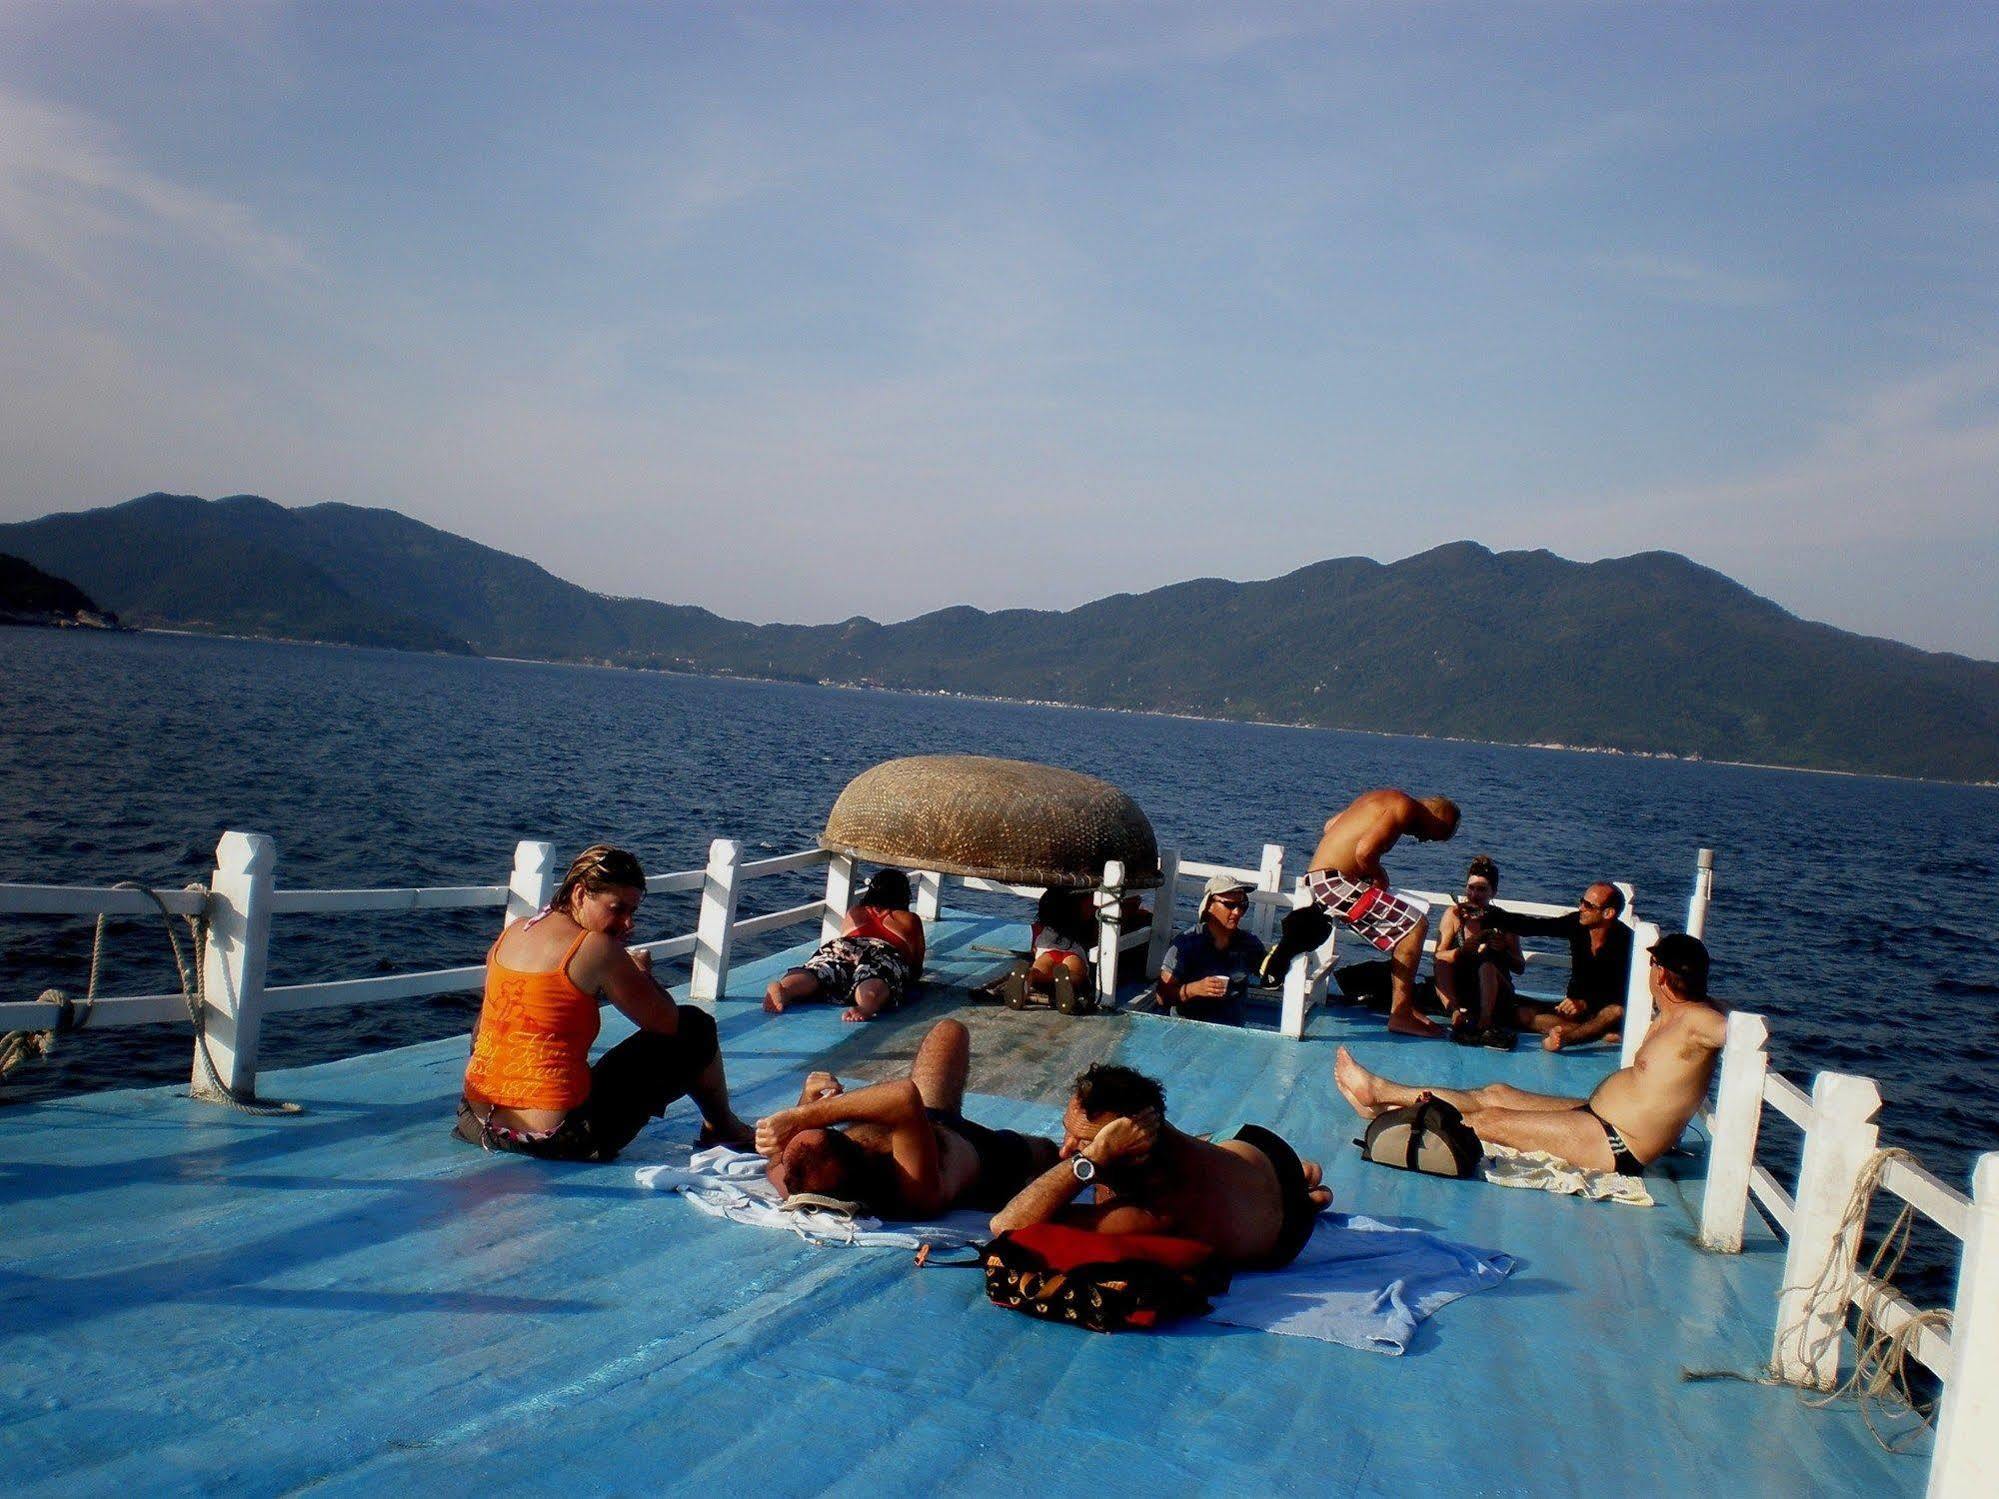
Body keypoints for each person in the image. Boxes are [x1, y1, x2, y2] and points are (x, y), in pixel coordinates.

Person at [1332, 933, 1724, 1175]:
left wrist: (1744, 1039)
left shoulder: (1695, 1020)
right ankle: (1381, 1093)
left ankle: (1385, 1111)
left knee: (1494, 1120)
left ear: (1659, 972)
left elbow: (1731, 1033)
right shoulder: (1674, 1013)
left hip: (1616, 1144)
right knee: (1497, 1094)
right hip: (1596, 1115)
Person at [456, 844, 753, 1161]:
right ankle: (722, 1126)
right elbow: (667, 1022)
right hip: (554, 1138)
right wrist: (643, 975)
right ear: (581, 894)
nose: (628, 924)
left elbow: (481, 1031)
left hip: (475, 1123)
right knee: (695, 1024)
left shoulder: (516, 929)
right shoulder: (595, 947)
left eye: (632, 912)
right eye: (617, 909)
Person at [989, 1063, 1332, 1270]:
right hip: (1254, 1147)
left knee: (1067, 1179)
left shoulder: (1150, 1211)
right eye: (1069, 1132)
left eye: (1085, 1145)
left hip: (1283, 1233)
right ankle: (1305, 1178)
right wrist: (1093, 1152)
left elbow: (1007, 1225)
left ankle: (1310, 1197)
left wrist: (1092, 1159)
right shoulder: (1151, 1128)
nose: (1067, 1152)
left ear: (1131, 1149)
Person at [755, 1018, 1060, 1218]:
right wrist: (806, 1115)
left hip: (921, 1120)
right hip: (982, 1154)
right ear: (857, 1157)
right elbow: (903, 1098)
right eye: (830, 1131)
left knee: (948, 1031)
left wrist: (806, 1104)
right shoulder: (909, 1188)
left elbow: (775, 1163)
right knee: (1051, 1152)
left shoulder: (799, 1174)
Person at [1261, 788, 1461, 1037]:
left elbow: (1330, 825)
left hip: (1321, 878)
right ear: (1436, 818)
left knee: (1410, 922)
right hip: (1333, 883)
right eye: (1434, 837)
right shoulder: (1405, 807)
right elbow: (1365, 852)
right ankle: (1400, 1013)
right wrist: (1379, 875)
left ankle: (1403, 1008)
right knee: (1415, 925)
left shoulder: (1381, 797)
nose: (1424, 841)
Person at [763, 868, 926, 1022]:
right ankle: (866, 1005)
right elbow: (916, 964)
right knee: (877, 975)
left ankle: (785, 988)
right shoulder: (908, 919)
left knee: (821, 968)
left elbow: (845, 943)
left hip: (844, 947)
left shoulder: (855, 912)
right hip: (882, 951)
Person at [1487, 881, 1632, 1051]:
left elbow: (1623, 994)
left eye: (1588, 905)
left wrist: (1585, 1004)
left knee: (1614, 1012)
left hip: (1603, 1010)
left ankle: (1566, 1039)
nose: (1581, 908)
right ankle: (1598, 1034)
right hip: (1572, 1012)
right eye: (1581, 901)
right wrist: (1489, 913)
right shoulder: (1577, 925)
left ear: (1608, 913)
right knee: (1521, 1014)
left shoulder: (1627, 943)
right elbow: (1535, 926)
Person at [1433, 855, 1524, 1048]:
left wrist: (1502, 952)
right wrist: (1461, 952)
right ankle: (1455, 1012)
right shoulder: (1454, 915)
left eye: (1482, 889)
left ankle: (1485, 1022)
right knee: (1441, 963)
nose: (1474, 895)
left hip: (1496, 992)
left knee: (1487, 964)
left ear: (1494, 892)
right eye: (1471, 888)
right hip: (1464, 989)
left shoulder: (1504, 920)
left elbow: (1519, 966)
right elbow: (1438, 955)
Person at [1155, 874, 1268, 1026]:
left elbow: (1270, 976)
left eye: (1242, 905)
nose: (1237, 912)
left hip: (1231, 1032)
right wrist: (1194, 989)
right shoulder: (1186, 944)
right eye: (1229, 905)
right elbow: (1162, 996)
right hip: (1185, 1029)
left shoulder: (1250, 944)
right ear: (1209, 905)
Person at [1026, 885, 1095, 1000]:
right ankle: (1068, 980)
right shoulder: (1078, 926)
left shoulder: (1039, 927)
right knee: (1077, 974)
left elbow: (1034, 949)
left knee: (1039, 971)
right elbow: (1091, 941)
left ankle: (1029, 975)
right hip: (1073, 954)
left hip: (1047, 953)